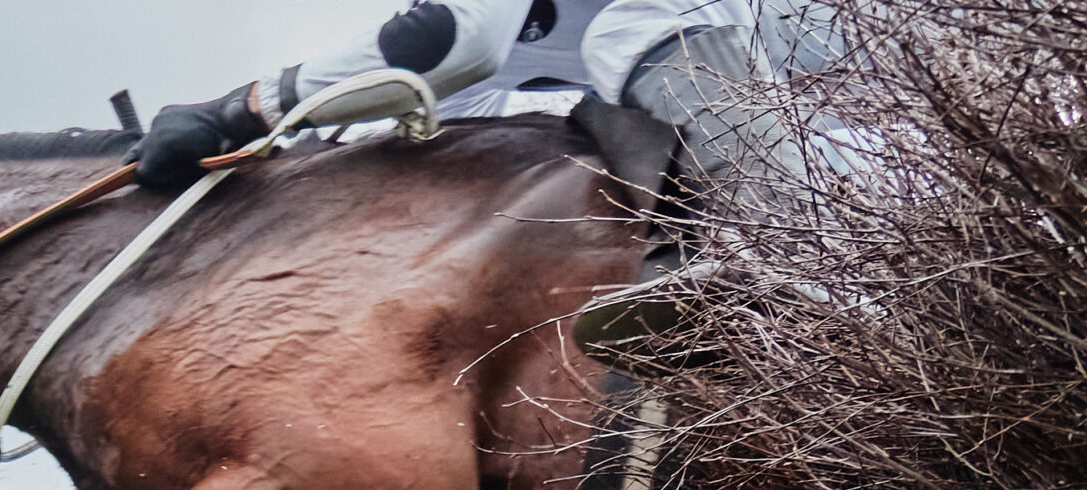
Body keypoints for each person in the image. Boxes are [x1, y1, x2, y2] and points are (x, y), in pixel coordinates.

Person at [130, 1, 825, 353]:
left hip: (900, 35)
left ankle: (789, 257)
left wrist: (242, 109)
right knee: (599, 105)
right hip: (835, 84)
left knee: (629, 31)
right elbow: (439, 119)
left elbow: (449, 44)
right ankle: (705, 262)